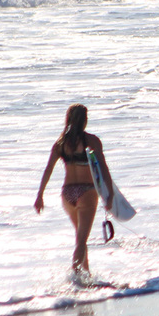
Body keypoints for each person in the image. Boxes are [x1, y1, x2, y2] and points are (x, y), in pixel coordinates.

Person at [35, 103, 113, 277]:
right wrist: (110, 194)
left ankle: (86, 274)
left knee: (80, 238)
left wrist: (40, 195)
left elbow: (48, 169)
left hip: (67, 193)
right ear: (85, 121)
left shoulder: (60, 144)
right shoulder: (92, 141)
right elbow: (103, 168)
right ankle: (76, 278)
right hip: (86, 192)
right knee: (81, 240)